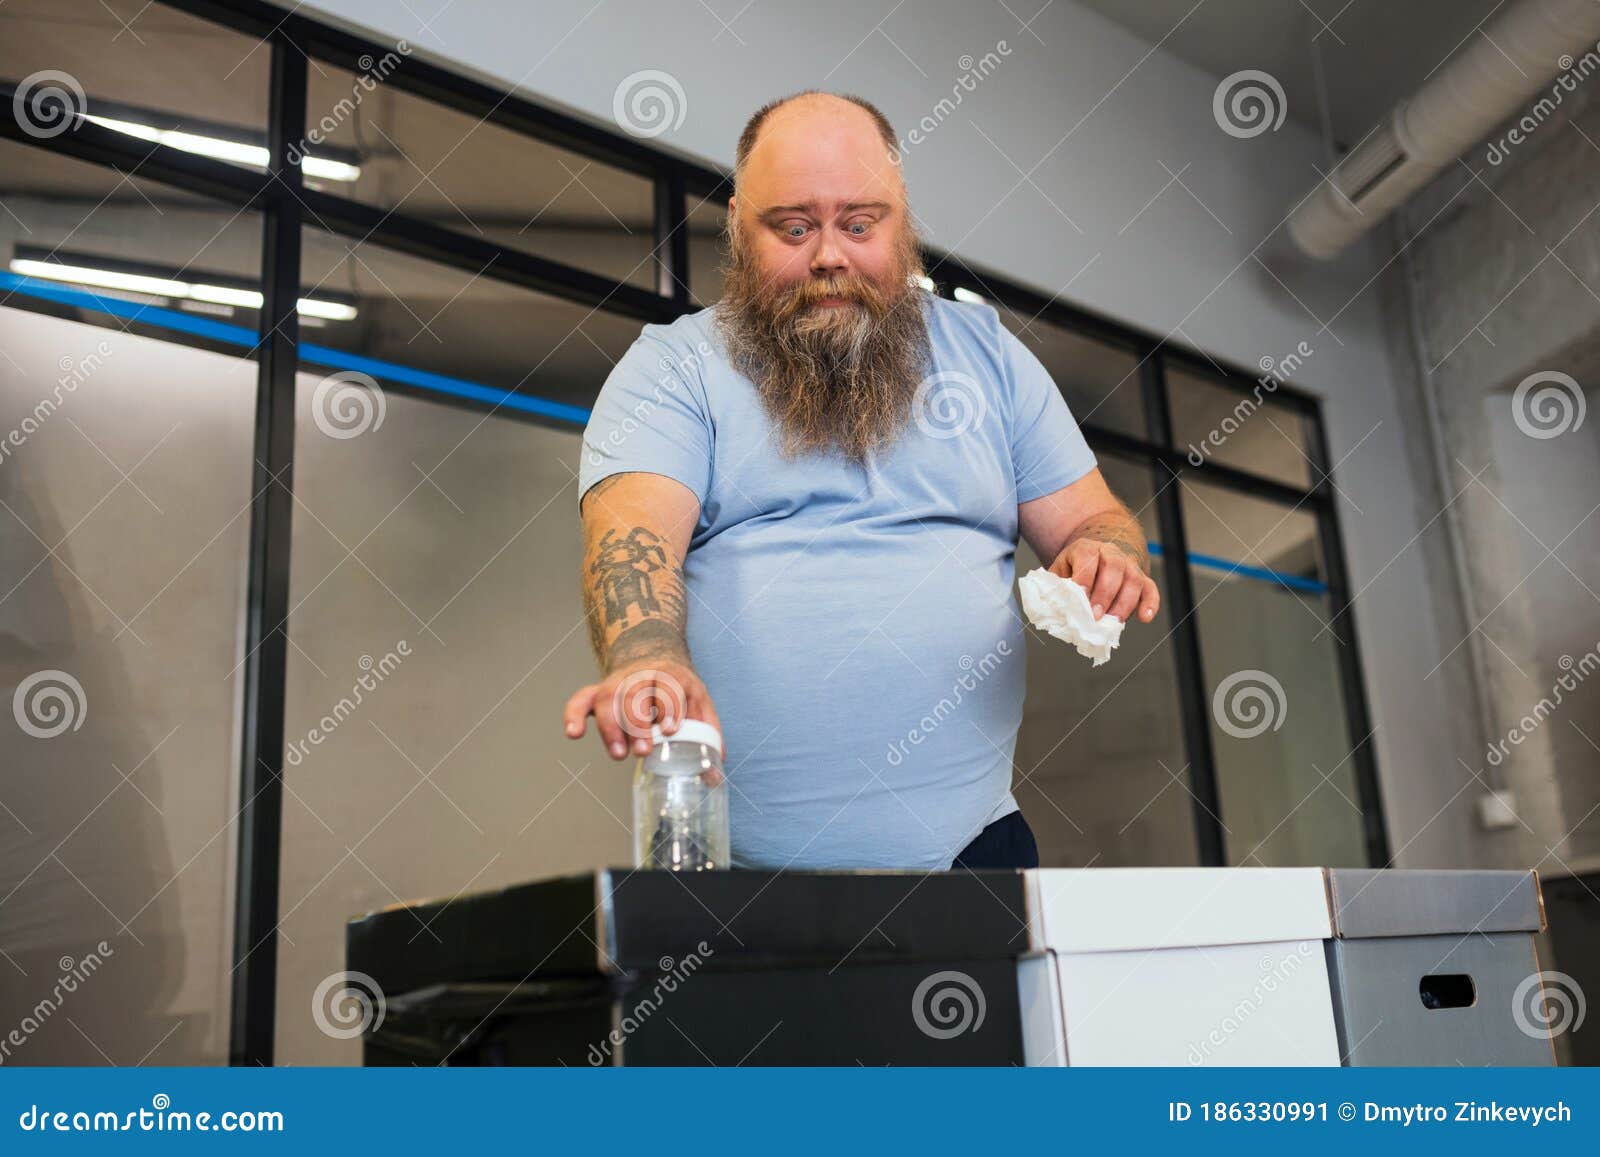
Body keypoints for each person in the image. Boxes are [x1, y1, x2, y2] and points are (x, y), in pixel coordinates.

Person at [564, 90, 1158, 871]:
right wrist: (647, 653)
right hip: (736, 875)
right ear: (741, 225)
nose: (829, 257)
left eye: (858, 223)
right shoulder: (674, 368)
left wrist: (1105, 555)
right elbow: (632, 538)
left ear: (900, 218)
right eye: (794, 227)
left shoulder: (991, 360)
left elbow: (1095, 522)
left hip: (973, 855)